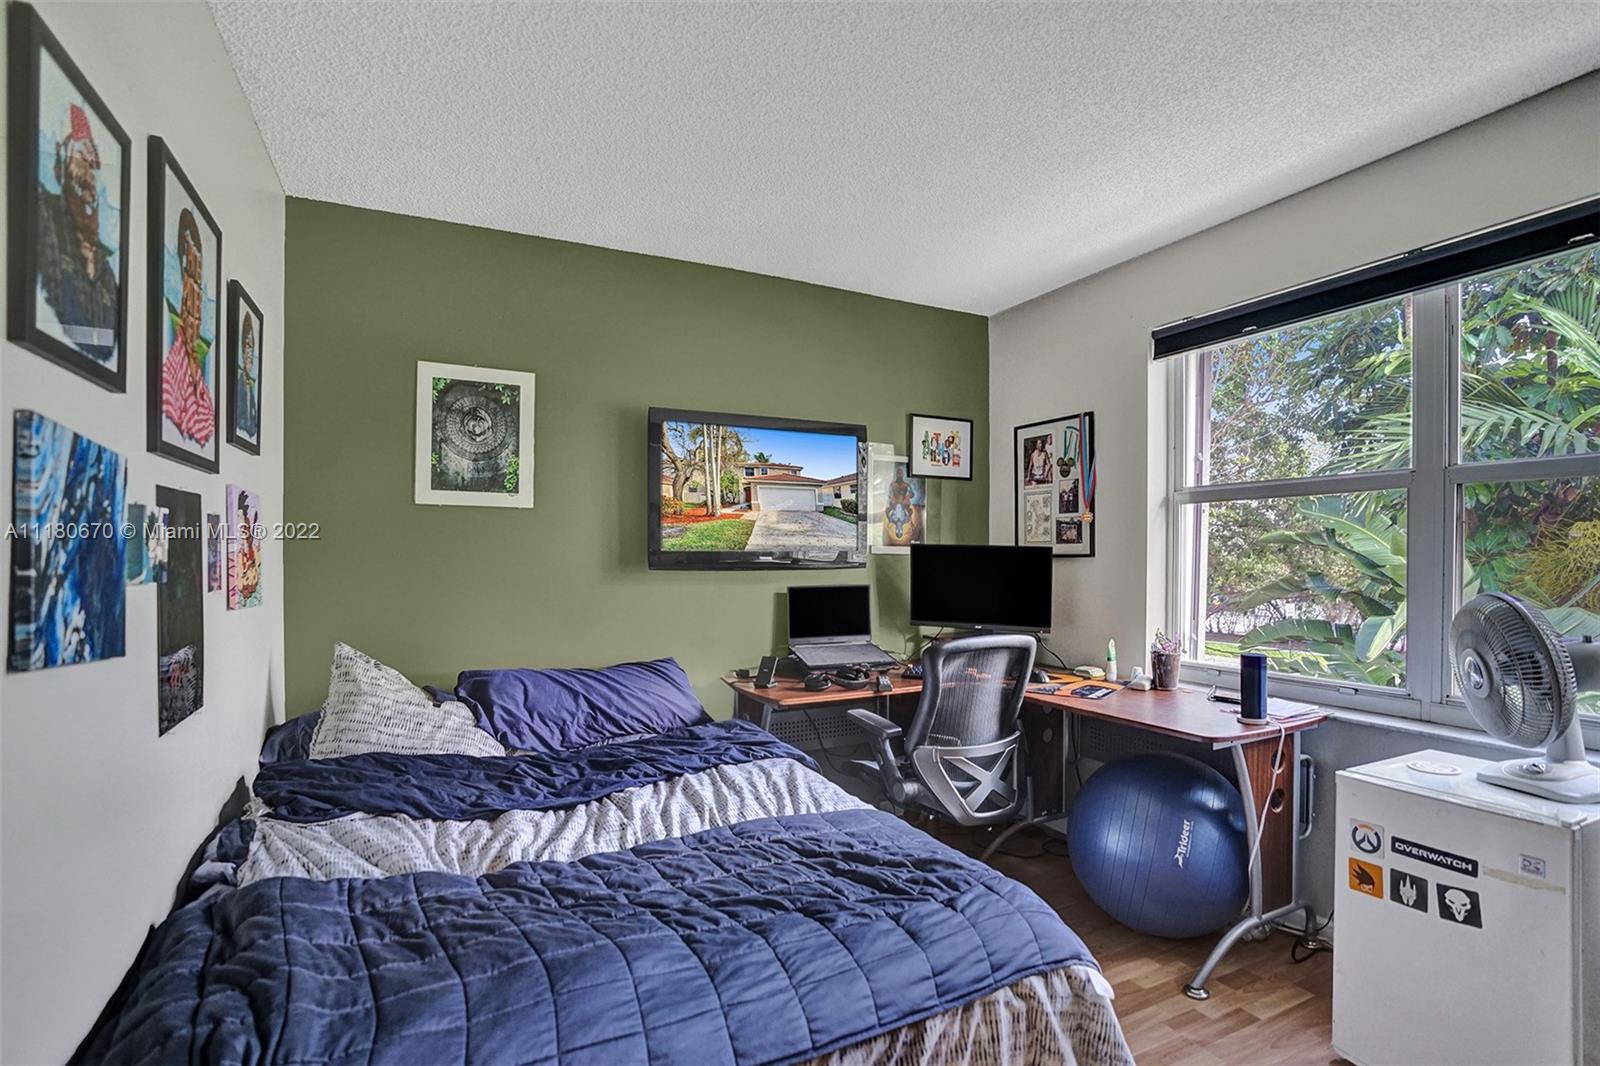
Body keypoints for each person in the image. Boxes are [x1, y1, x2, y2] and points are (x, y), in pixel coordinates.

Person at [35, 102, 118, 364]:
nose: (89, 174)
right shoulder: (44, 215)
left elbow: (106, 349)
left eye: (94, 165)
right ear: (61, 163)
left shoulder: (107, 273)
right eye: (82, 158)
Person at [160, 208, 214, 447]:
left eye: (198, 285)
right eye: (190, 277)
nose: (195, 297)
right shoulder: (171, 372)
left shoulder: (204, 388)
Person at [235, 313, 259, 440]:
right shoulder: (239, 384)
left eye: (251, 346)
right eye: (247, 345)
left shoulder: (252, 388)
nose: (249, 351)